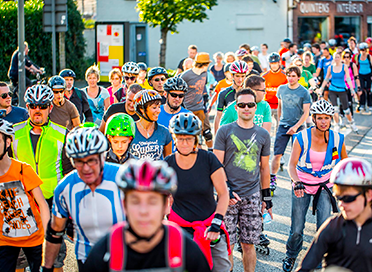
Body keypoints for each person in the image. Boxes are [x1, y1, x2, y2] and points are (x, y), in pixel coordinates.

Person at [83, 158, 211, 272]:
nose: (143, 211)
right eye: (135, 201)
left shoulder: (184, 248)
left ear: (166, 204)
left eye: (152, 201)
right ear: (124, 205)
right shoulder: (104, 252)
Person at [296, 158, 372, 272]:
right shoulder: (332, 227)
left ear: (368, 195)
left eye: (348, 198)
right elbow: (305, 268)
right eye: (338, 198)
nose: (341, 205)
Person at [41, 124, 125, 272]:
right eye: (79, 161)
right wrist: (47, 267)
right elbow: (55, 232)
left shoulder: (124, 178)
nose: (86, 168)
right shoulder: (65, 187)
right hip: (87, 259)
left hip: (124, 258)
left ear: (102, 156)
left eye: (91, 160)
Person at [12, 84, 73, 272]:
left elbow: (70, 170)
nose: (37, 110)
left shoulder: (62, 133)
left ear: (50, 107)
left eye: (42, 106)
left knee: (55, 257)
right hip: (20, 201)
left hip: (52, 200)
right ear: (27, 107)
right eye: (33, 105)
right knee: (18, 258)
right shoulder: (12, 133)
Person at [282, 100, 347, 272]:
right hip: (302, 184)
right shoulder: (301, 137)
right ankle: (291, 255)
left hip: (325, 186)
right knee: (297, 228)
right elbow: (291, 165)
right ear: (314, 119)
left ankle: (318, 256)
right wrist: (297, 182)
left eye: (327, 118)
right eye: (320, 118)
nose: (324, 122)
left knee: (324, 226)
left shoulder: (337, 139)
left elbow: (345, 164)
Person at [214, 88, 272, 272]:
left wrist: (266, 197)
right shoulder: (224, 131)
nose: (246, 108)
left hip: (252, 196)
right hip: (227, 196)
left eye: (250, 105)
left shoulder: (263, 135)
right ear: (235, 107)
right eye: (241, 105)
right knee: (227, 246)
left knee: (248, 245)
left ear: (256, 107)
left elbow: (264, 167)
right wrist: (226, 190)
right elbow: (216, 165)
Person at [166, 113, 231, 271]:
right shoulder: (167, 163)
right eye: (180, 138)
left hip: (209, 224)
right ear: (174, 138)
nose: (185, 143)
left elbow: (223, 193)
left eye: (189, 138)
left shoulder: (208, 159)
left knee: (223, 266)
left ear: (196, 139)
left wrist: (217, 222)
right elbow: (163, 199)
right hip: (179, 225)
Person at [0, 119, 50, 272]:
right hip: (5, 240)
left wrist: (48, 239)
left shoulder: (22, 170)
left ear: (8, 142)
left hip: (34, 237)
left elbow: (42, 203)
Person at [270, 66, 311, 195]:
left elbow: (306, 113)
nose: (291, 78)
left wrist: (296, 127)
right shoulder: (281, 89)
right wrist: (279, 123)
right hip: (283, 125)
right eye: (289, 75)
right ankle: (272, 178)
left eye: (293, 76)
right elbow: (279, 107)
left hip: (298, 126)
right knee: (277, 154)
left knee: (298, 156)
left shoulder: (304, 92)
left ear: (299, 77)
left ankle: (297, 180)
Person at [180, 52, 213, 148]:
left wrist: (205, 97)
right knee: (194, 136)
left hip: (200, 108)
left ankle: (211, 152)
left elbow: (203, 86)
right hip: (188, 109)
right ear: (204, 64)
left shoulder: (205, 74)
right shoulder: (186, 75)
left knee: (207, 133)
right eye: (207, 64)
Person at [320, 52, 358, 133]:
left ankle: (352, 123)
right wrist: (321, 88)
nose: (336, 59)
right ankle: (336, 124)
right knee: (335, 109)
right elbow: (326, 78)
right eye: (335, 57)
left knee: (346, 109)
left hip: (342, 89)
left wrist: (352, 89)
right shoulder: (330, 67)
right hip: (332, 89)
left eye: (338, 57)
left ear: (340, 58)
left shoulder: (344, 67)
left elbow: (348, 78)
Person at [131, 89, 172, 160]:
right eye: (154, 108)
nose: (158, 111)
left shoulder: (165, 132)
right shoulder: (130, 130)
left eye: (159, 107)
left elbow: (168, 161)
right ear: (141, 109)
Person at [214, 60, 248, 133]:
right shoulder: (224, 93)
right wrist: (216, 137)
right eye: (237, 76)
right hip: (230, 131)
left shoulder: (250, 93)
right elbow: (218, 116)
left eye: (243, 76)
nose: (240, 79)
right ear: (232, 76)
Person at [262, 52, 288, 127]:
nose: (273, 65)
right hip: (267, 105)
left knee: (280, 128)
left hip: (280, 106)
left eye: (275, 63)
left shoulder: (285, 75)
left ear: (279, 63)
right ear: (269, 64)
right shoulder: (264, 76)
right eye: (272, 63)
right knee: (265, 127)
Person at [355, 43, 372, 114]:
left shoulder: (369, 56)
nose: (362, 51)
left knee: (369, 90)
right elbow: (356, 66)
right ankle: (362, 105)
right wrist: (356, 75)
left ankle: (370, 105)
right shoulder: (358, 56)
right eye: (361, 50)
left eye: (364, 50)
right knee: (362, 90)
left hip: (368, 74)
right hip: (361, 74)